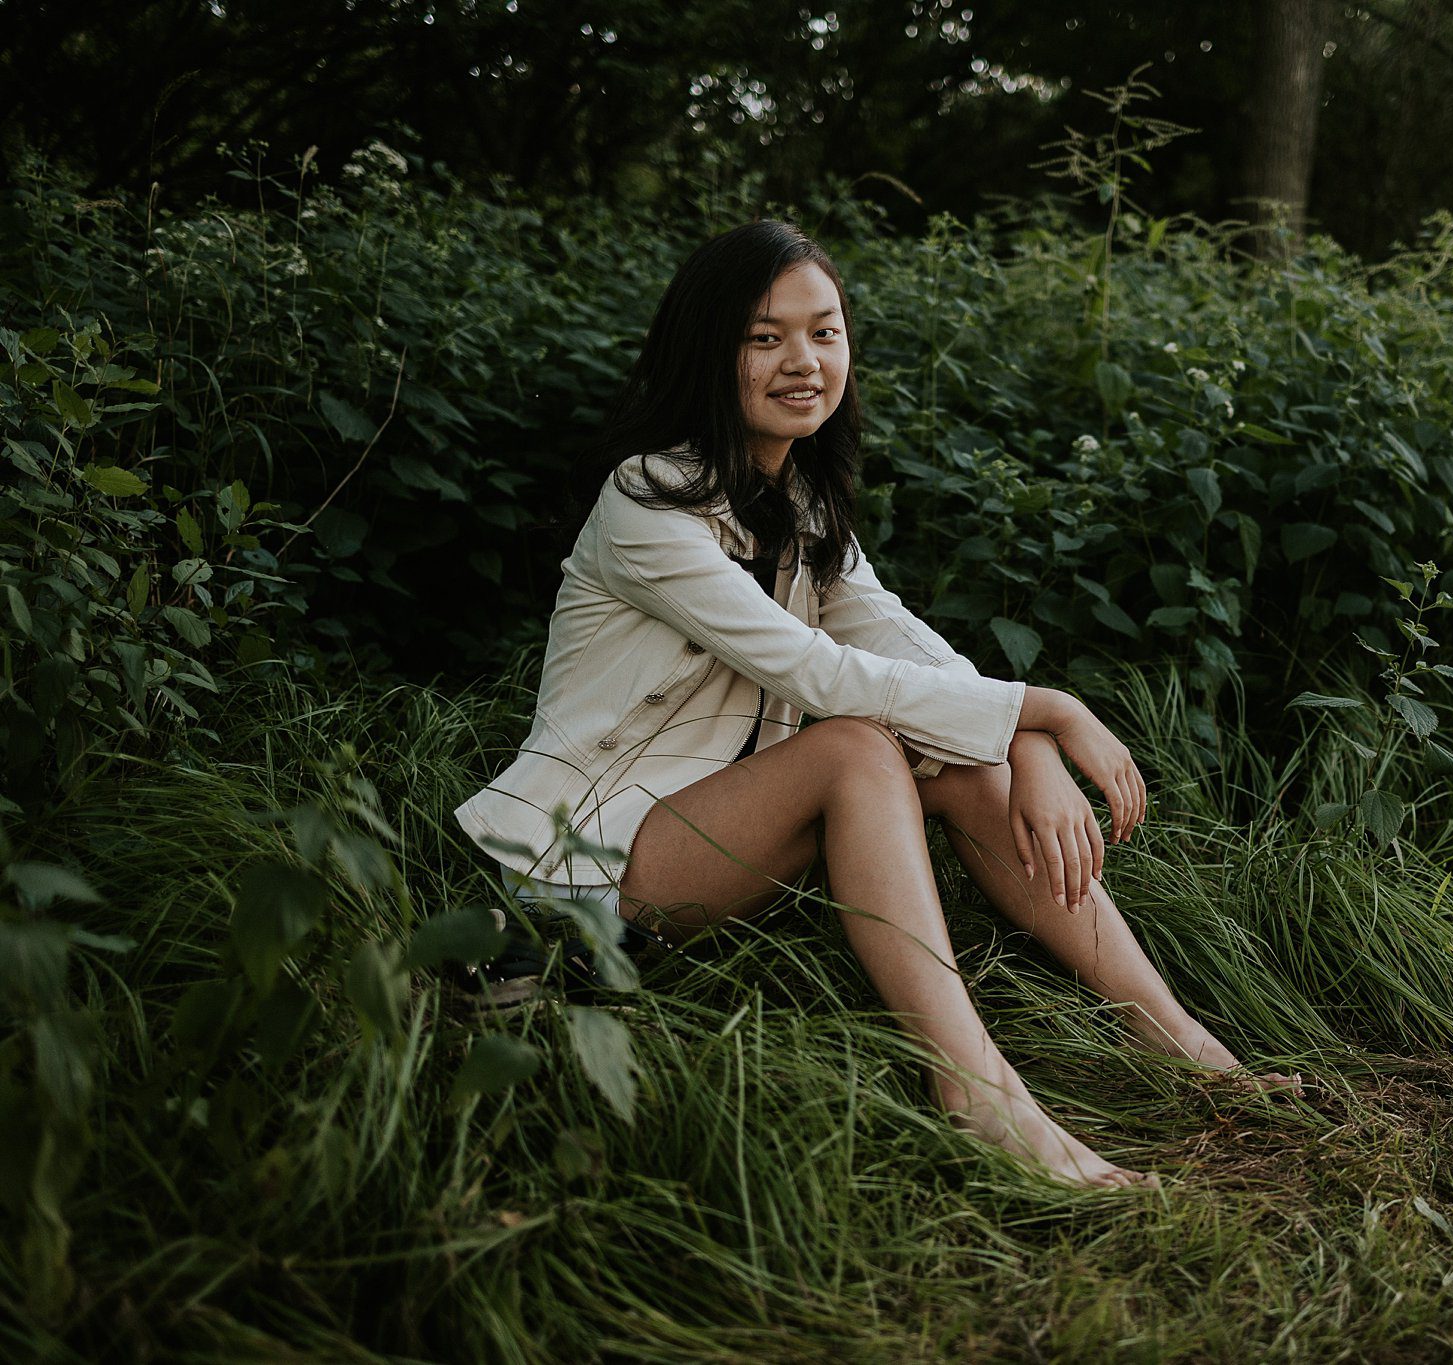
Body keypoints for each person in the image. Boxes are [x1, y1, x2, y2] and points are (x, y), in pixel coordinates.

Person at [455, 220, 1300, 1191]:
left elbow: (907, 651)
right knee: (856, 747)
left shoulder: (803, 505)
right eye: (764, 337)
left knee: (961, 754)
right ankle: (978, 1098)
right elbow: (822, 676)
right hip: (588, 862)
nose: (803, 361)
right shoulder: (646, 503)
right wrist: (1053, 709)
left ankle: (1184, 1049)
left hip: (714, 838)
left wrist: (1020, 741)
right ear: (708, 352)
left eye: (825, 331)